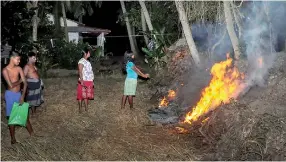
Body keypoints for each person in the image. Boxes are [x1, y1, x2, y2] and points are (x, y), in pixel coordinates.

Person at [2, 51, 34, 144]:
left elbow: (25, 83)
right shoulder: (5, 70)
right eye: (18, 59)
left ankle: (32, 134)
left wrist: (23, 96)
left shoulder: (19, 68)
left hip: (19, 95)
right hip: (10, 95)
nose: (19, 61)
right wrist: (20, 80)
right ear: (12, 58)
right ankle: (13, 139)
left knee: (25, 115)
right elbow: (10, 85)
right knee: (12, 118)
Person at [24, 51, 44, 116]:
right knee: (32, 98)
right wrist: (25, 86)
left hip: (36, 83)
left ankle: (34, 111)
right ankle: (33, 113)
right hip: (32, 85)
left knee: (36, 98)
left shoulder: (33, 65)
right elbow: (23, 77)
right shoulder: (27, 66)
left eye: (35, 58)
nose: (35, 59)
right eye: (34, 58)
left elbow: (35, 73)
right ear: (29, 58)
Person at [77, 48, 94, 113]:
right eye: (89, 52)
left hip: (89, 81)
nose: (90, 53)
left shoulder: (87, 61)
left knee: (86, 96)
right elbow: (80, 72)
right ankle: (80, 109)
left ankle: (86, 109)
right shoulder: (81, 61)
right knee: (80, 95)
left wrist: (92, 81)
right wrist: (81, 81)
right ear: (85, 53)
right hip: (84, 81)